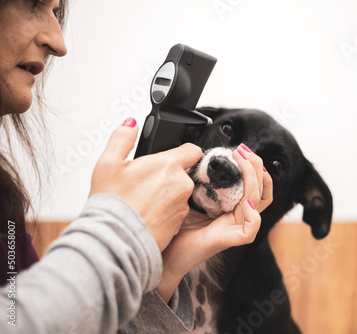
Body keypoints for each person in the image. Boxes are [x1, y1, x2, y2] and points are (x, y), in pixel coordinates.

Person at [0, 0, 273, 333]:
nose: (58, 43)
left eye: (55, 13)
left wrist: (164, 269)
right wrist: (117, 230)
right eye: (33, 4)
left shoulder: (5, 203)